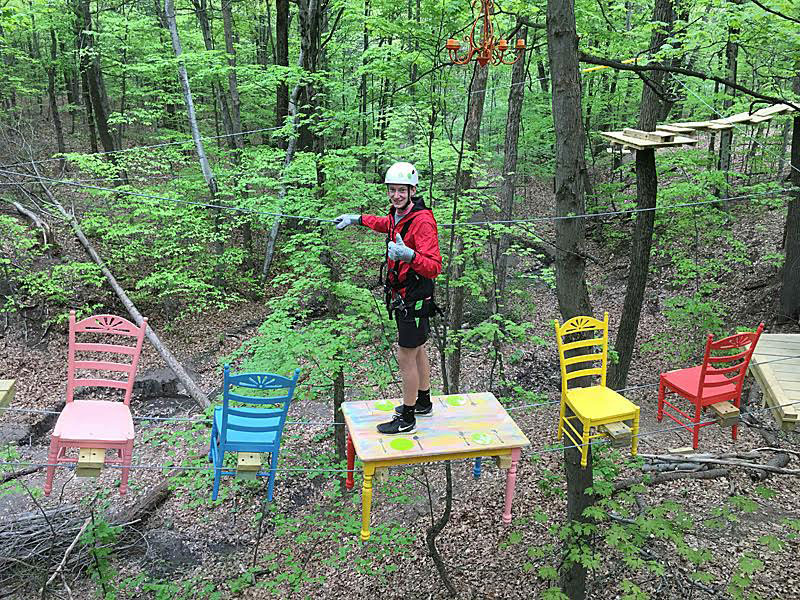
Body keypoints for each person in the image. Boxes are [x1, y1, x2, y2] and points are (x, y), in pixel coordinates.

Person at [334, 162, 442, 434]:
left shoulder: (422, 221)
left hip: (415, 293)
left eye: (401, 191)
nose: (396, 195)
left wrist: (410, 256)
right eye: (392, 190)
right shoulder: (397, 215)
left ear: (412, 190)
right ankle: (423, 401)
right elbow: (385, 223)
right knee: (418, 349)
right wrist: (356, 219)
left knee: (405, 354)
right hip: (406, 293)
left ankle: (407, 417)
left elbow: (435, 266)